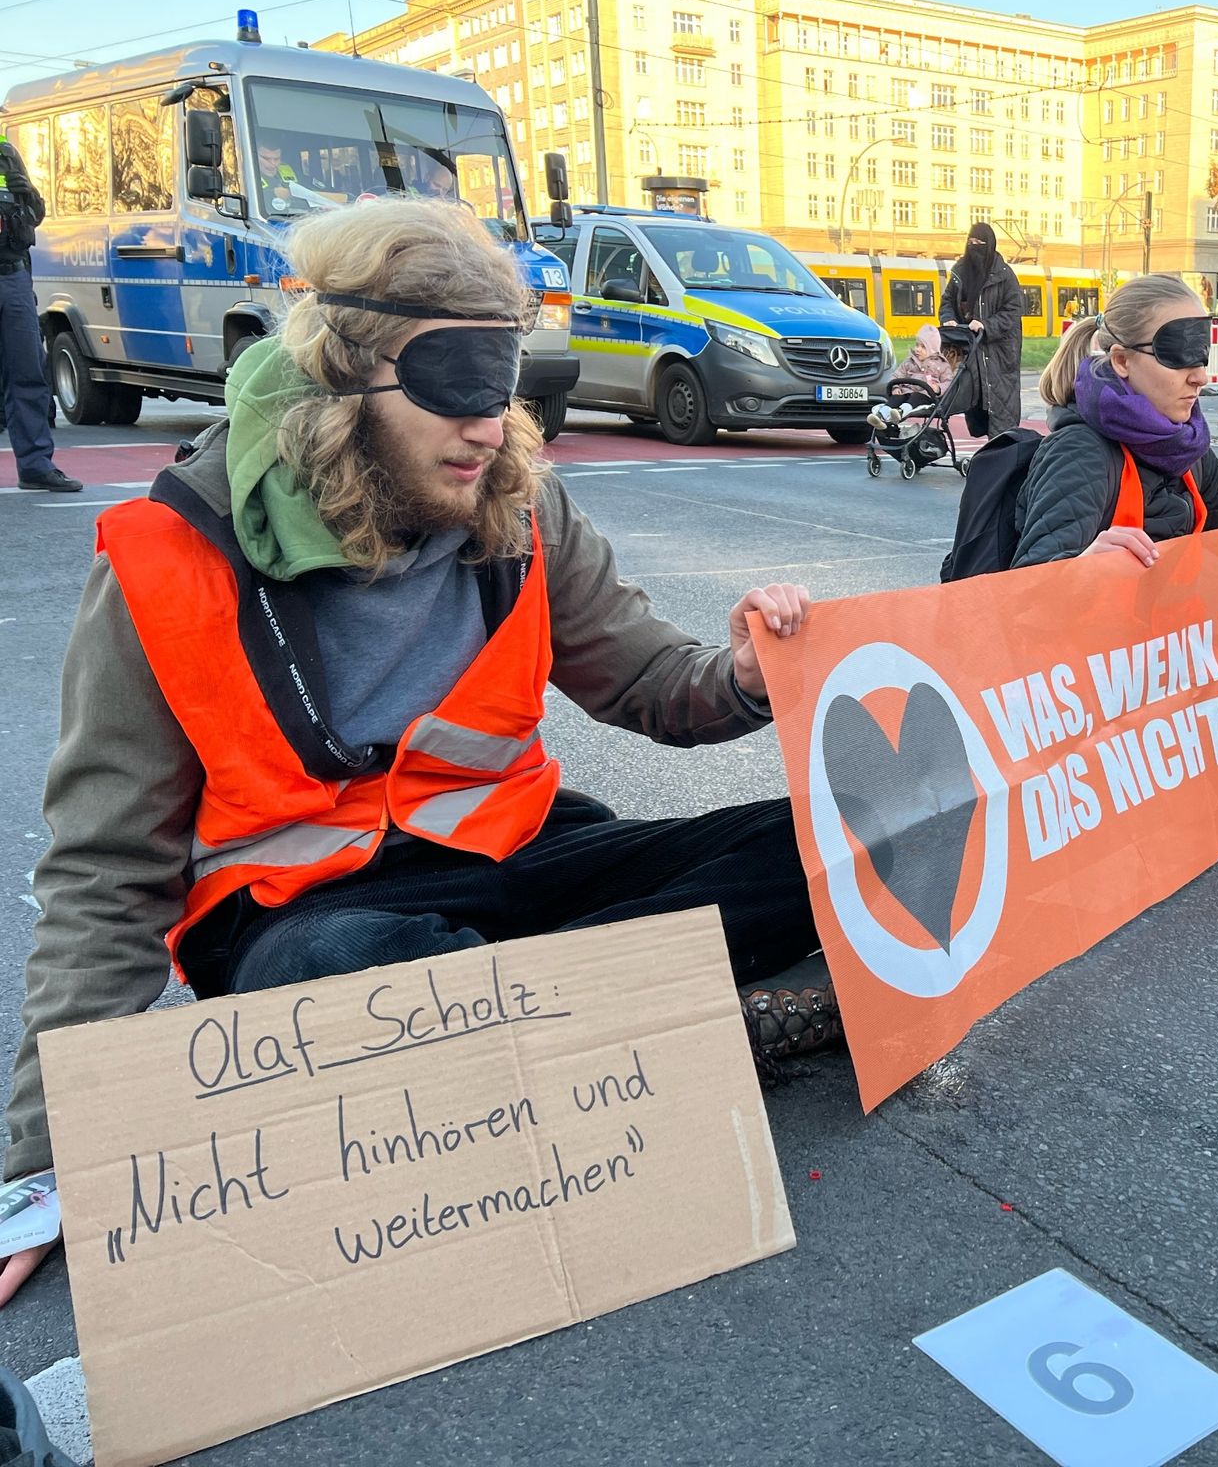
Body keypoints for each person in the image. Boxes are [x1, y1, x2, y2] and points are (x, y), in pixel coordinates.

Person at [0, 198, 831, 1308]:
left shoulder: (524, 507)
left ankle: (567, 1030)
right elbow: (105, 870)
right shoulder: (165, 555)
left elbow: (644, 680)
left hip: (519, 858)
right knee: (346, 978)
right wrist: (42, 1157)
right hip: (307, 911)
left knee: (825, 842)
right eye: (453, 380)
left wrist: (736, 672)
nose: (489, 424)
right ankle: (649, 1014)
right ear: (342, 375)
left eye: (505, 380)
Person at [1011, 274, 1218, 567]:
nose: (1200, 378)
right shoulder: (1079, 453)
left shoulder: (1187, 448)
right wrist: (1080, 570)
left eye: (1201, 357)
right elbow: (1031, 584)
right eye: (1178, 356)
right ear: (1122, 361)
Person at [0, 127, 77, 492]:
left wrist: (25, 191)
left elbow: (36, 213)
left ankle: (35, 466)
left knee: (28, 373)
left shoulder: (6, 154)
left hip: (12, 277)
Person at [941, 221, 1027, 438]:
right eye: (971, 242)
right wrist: (948, 319)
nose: (974, 246)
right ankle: (989, 454)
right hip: (971, 349)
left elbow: (1014, 309)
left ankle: (1000, 454)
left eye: (980, 242)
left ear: (990, 245)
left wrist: (987, 325)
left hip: (999, 353)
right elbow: (947, 300)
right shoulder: (960, 271)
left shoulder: (1004, 275)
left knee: (1000, 407)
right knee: (977, 403)